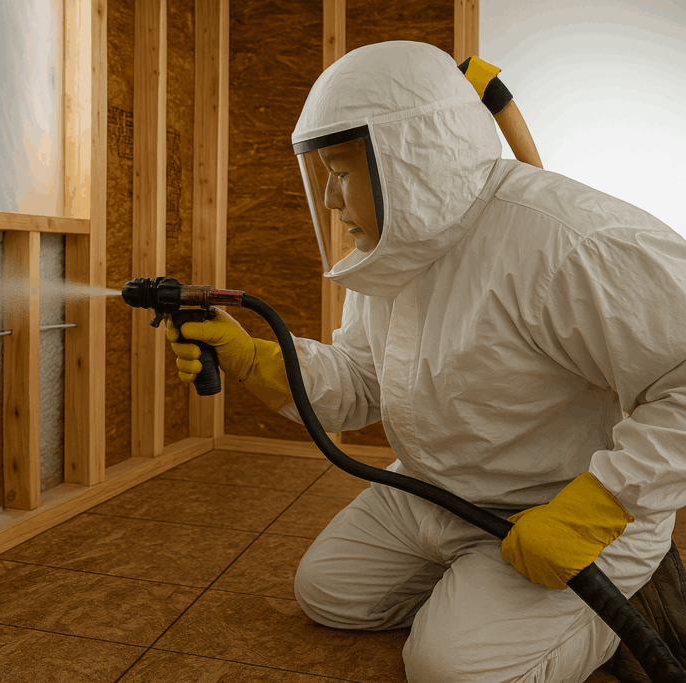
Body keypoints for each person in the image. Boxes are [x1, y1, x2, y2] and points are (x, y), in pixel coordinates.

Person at [166, 40, 686, 682]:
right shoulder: (397, 252)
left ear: (409, 159)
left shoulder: (571, 242)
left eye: (342, 171)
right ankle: (478, 589)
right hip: (434, 487)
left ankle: (606, 610)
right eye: (324, 173)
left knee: (449, 673)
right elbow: (361, 385)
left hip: (557, 507)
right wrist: (253, 358)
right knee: (329, 594)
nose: (330, 199)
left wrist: (597, 511)